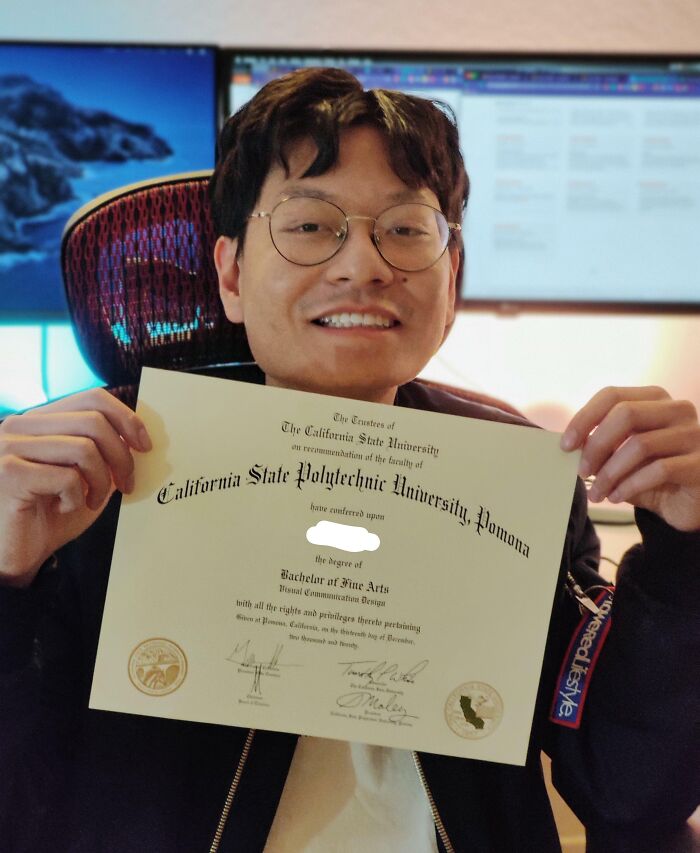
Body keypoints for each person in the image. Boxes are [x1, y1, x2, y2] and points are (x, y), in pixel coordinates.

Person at [0, 67, 698, 853]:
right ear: (230, 275)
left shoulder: (510, 485)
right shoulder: (97, 487)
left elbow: (634, 787)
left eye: (405, 228)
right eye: (308, 227)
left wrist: (682, 555)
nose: (362, 265)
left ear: (453, 277)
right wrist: (7, 581)